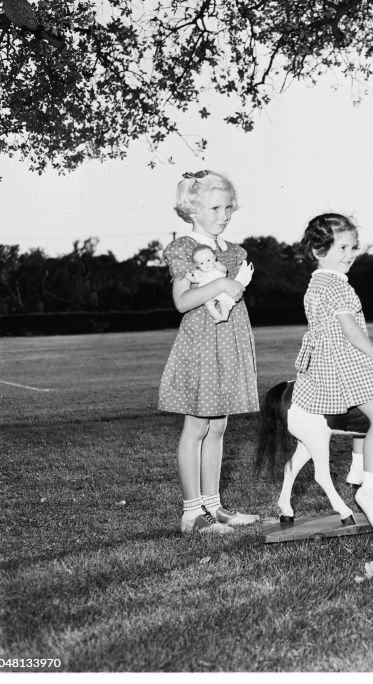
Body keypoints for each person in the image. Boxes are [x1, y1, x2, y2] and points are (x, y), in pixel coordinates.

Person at [158, 170, 260, 535]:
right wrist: (219, 282)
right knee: (197, 425)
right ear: (192, 209)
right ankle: (191, 513)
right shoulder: (183, 248)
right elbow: (183, 302)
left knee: (219, 426)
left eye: (228, 207)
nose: (224, 214)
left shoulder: (233, 252)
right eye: (215, 208)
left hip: (229, 340)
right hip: (200, 343)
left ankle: (214, 507)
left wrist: (228, 283)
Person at [288, 213, 373, 536]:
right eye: (343, 247)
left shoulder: (317, 282)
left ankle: (356, 466)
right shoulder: (336, 286)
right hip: (342, 363)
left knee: (366, 416)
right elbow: (350, 330)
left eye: (354, 247)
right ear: (320, 251)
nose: (351, 254)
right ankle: (370, 491)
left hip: (324, 361)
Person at [187, 244, 254, 323]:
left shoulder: (217, 268)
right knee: (209, 305)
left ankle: (224, 316)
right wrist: (190, 278)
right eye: (201, 263)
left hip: (220, 291)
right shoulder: (200, 273)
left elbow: (224, 270)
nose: (206, 264)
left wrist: (218, 265)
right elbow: (196, 280)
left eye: (208, 260)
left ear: (214, 258)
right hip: (207, 293)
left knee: (223, 302)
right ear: (196, 265)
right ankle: (218, 317)